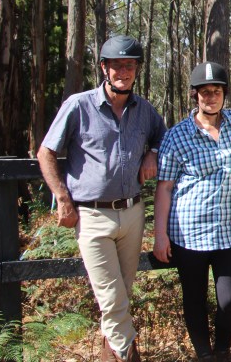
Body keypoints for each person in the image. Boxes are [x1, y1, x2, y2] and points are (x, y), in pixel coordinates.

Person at [37, 35, 166, 362]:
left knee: (121, 294)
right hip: (92, 216)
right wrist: (62, 197)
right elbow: (46, 152)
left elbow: (162, 136)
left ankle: (110, 353)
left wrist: (152, 152)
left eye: (129, 65)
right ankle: (128, 356)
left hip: (132, 213)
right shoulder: (79, 106)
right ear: (104, 68)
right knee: (112, 298)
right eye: (116, 65)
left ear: (136, 69)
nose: (123, 71)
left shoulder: (144, 110)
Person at [153, 61, 231, 361]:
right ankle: (205, 354)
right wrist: (159, 234)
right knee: (194, 298)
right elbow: (164, 188)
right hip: (189, 233)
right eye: (204, 92)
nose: (210, 97)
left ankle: (223, 350)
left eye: (216, 91)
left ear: (225, 94)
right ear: (195, 95)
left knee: (230, 300)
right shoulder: (177, 135)